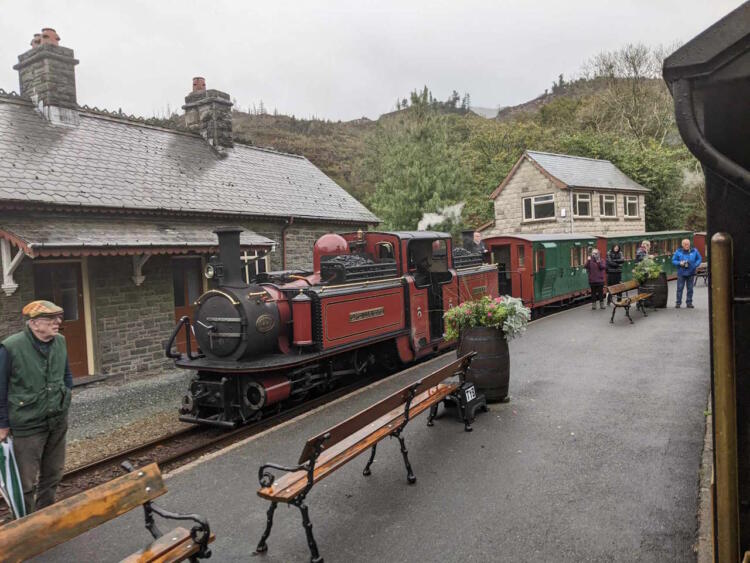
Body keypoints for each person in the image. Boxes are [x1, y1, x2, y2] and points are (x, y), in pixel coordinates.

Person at [0, 300, 72, 513]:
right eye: (51, 319)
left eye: (58, 317)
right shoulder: (11, 347)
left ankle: (45, 516)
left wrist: (66, 396)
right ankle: (26, 523)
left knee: (53, 474)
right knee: (26, 482)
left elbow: (66, 374)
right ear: (33, 323)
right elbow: (0, 388)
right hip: (27, 424)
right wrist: (2, 424)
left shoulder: (61, 341)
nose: (57, 322)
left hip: (57, 420)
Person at [672, 239, 702, 308]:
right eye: (685, 244)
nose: (687, 245)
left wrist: (695, 265)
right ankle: (678, 303)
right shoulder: (678, 251)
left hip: (691, 272)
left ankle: (689, 303)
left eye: (688, 244)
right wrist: (679, 263)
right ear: (682, 245)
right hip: (681, 273)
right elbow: (673, 260)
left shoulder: (694, 251)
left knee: (690, 289)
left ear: (689, 244)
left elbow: (699, 259)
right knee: (679, 288)